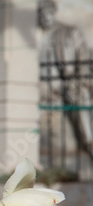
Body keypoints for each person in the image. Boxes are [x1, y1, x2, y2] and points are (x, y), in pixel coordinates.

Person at [38, 0, 93, 163]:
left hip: (67, 87)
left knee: (81, 95)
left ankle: (89, 142)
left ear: (54, 13)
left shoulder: (68, 33)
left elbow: (84, 63)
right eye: (41, 13)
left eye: (48, 12)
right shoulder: (35, 35)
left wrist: (76, 83)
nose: (45, 17)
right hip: (41, 89)